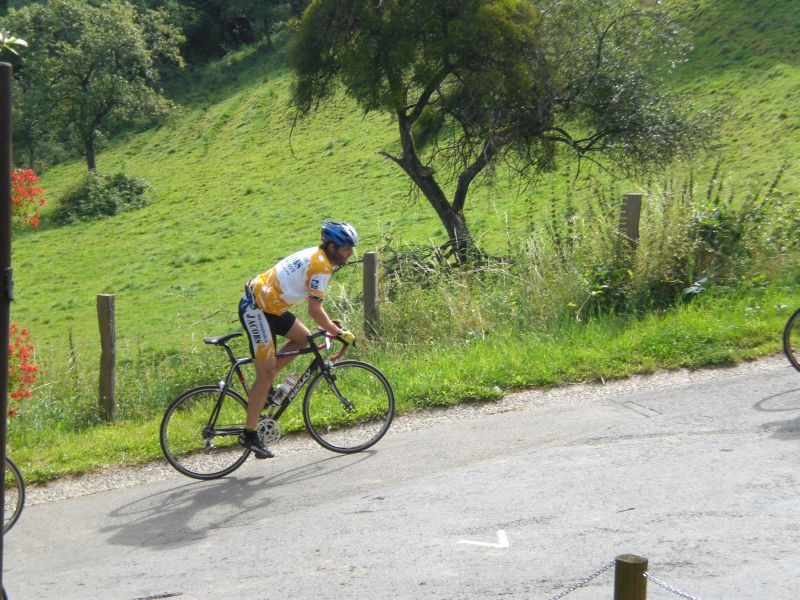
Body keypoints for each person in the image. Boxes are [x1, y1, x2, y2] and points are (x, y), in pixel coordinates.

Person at [238, 221, 358, 458]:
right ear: (332, 246)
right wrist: (339, 333)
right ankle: (250, 434)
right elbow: (314, 310)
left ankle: (266, 389)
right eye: (347, 248)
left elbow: (314, 309)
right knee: (265, 373)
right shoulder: (322, 266)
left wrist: (330, 326)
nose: (350, 253)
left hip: (270, 307)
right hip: (257, 309)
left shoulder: (318, 255)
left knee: (304, 339)